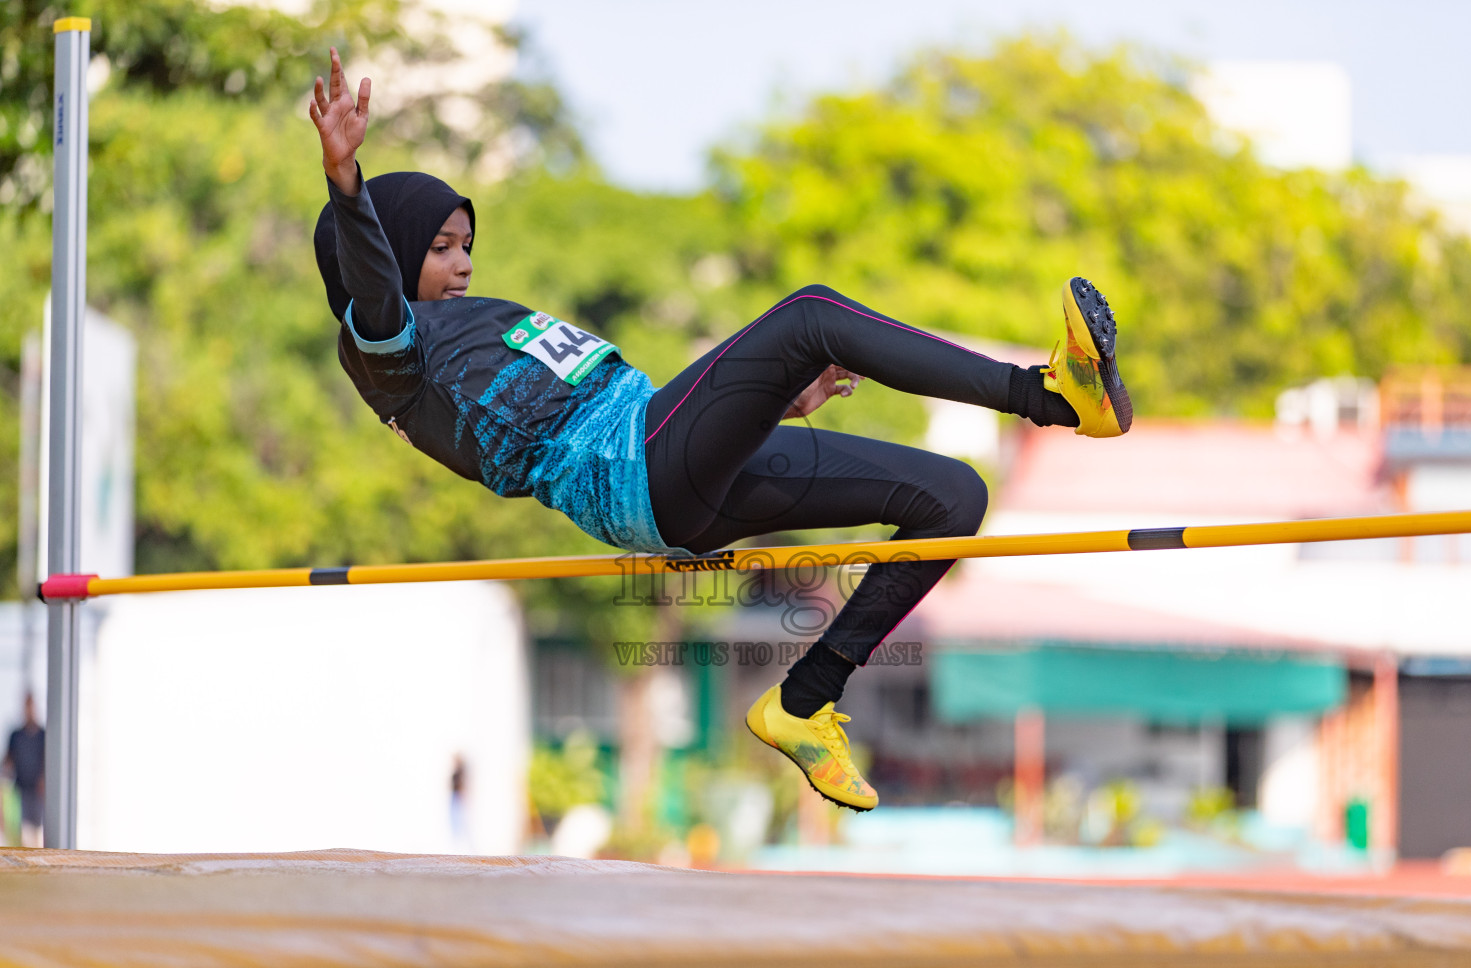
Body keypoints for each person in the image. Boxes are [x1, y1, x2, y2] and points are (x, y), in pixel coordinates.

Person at [309, 50, 1131, 813]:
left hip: (663, 448)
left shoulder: (472, 323)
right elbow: (375, 285)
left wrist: (771, 405)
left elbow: (626, 404)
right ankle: (1050, 396)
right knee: (811, 314)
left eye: (468, 246)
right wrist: (346, 181)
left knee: (952, 495)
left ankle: (805, 704)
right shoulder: (390, 352)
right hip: (634, 472)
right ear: (385, 254)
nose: (465, 264)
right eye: (444, 248)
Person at [4, 694, 45, 847]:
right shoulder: (16, 735)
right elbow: (8, 760)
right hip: (19, 790)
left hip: (37, 793)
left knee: (37, 835)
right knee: (22, 836)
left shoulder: (43, 735)